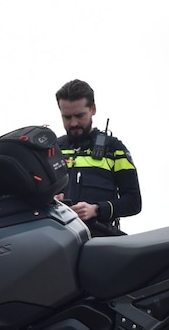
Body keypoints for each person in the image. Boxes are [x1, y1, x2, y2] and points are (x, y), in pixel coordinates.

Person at [54, 79, 142, 236]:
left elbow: (133, 203)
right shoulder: (52, 150)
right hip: (57, 239)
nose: (73, 123)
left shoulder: (114, 150)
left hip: (99, 241)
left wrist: (97, 209)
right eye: (67, 117)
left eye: (79, 115)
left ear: (93, 109)